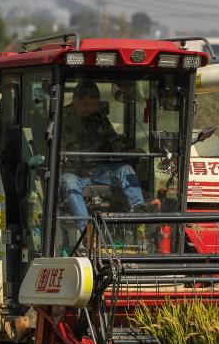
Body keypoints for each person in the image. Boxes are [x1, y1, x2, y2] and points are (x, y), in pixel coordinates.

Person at [60, 79, 157, 231]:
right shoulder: (62, 118)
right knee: (69, 183)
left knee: (125, 169)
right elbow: (67, 148)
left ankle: (138, 209)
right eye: (86, 105)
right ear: (75, 99)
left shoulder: (99, 118)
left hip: (97, 170)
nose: (90, 109)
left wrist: (128, 151)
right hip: (72, 171)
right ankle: (87, 230)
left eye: (94, 105)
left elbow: (112, 141)